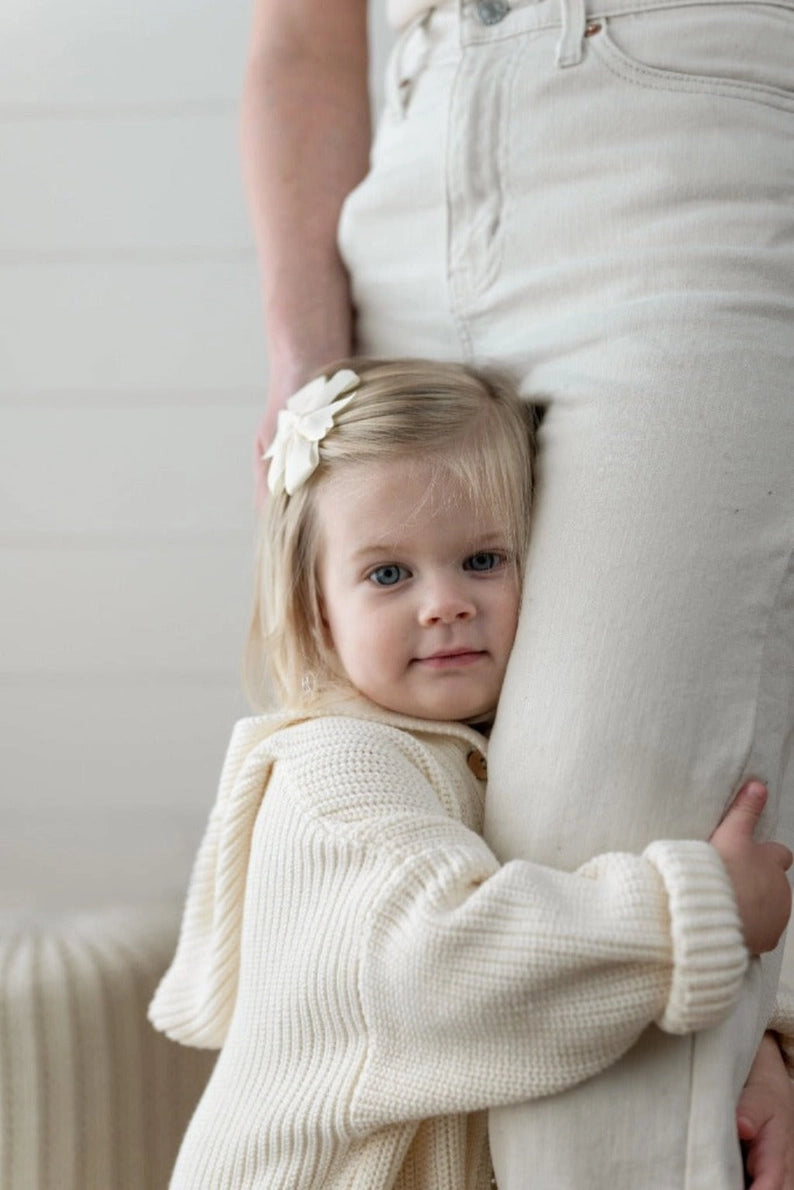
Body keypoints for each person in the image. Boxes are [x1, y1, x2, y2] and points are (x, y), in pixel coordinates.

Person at [239, 2, 794, 1186]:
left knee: (597, 997)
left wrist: (753, 1002)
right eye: (394, 572)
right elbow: (301, 32)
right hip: (405, 175)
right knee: (458, 796)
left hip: (688, 145)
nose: (438, 599)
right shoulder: (324, 791)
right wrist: (304, 356)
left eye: (464, 570)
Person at [150, 359, 791, 1189]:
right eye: (389, 573)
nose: (444, 602)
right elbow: (445, 966)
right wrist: (695, 910)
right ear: (316, 607)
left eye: (483, 560)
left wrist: (762, 1044)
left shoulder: (488, 749)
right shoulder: (336, 773)